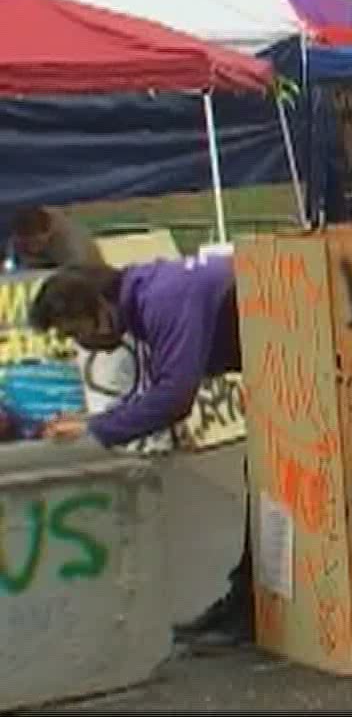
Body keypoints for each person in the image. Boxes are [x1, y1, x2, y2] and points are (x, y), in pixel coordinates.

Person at [29, 254, 252, 646]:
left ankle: (249, 606)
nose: (81, 344)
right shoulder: (144, 297)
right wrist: (91, 421)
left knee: (271, 475)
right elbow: (158, 387)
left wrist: (94, 429)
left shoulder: (163, 299)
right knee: (267, 473)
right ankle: (248, 601)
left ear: (100, 309)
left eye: (75, 332)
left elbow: (173, 398)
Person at [6, 206, 106, 271]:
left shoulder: (69, 238)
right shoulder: (15, 240)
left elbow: (79, 268)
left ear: (49, 230)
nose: (31, 248)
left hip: (84, 272)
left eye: (36, 243)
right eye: (25, 244)